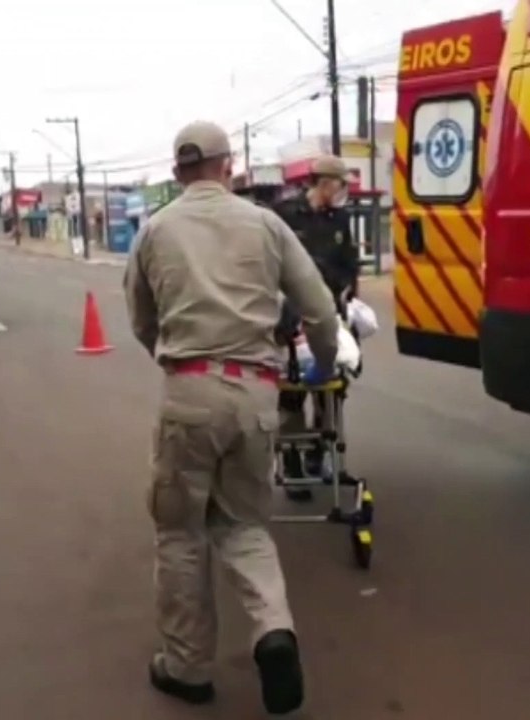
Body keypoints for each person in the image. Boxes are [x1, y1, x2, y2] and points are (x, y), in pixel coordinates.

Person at [123, 120, 339, 715]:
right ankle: (274, 631)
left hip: (188, 393)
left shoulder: (154, 230)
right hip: (256, 395)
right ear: (229, 166)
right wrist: (321, 366)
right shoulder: (266, 225)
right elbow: (320, 311)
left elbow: (141, 319)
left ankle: (187, 668)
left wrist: (178, 362)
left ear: (177, 173)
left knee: (181, 531)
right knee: (245, 525)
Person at [272, 155, 360, 495]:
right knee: (292, 393)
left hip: (328, 315)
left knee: (332, 391)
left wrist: (343, 295)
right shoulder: (285, 215)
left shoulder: (340, 219)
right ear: (324, 183)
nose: (343, 190)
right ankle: (293, 464)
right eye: (341, 184)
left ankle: (319, 456)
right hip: (290, 319)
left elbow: (349, 264)